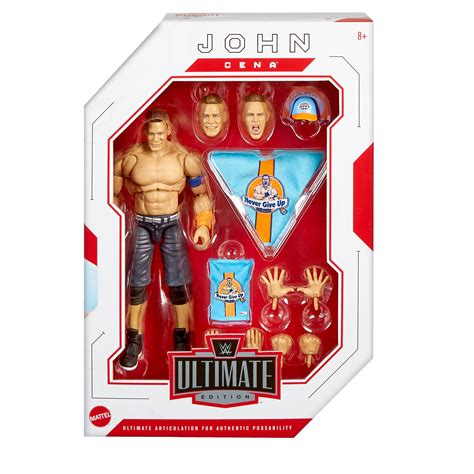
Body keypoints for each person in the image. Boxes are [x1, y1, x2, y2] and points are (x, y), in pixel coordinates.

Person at [114, 109, 213, 370]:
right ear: (145, 132)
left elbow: (201, 195)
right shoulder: (129, 160)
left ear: (168, 130)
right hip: (141, 224)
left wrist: (203, 225)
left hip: (171, 224)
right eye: (151, 133)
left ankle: (182, 337)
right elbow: (112, 197)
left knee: (179, 285)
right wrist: (111, 227)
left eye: (160, 133)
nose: (156, 138)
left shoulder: (185, 159)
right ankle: (133, 340)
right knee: (136, 285)